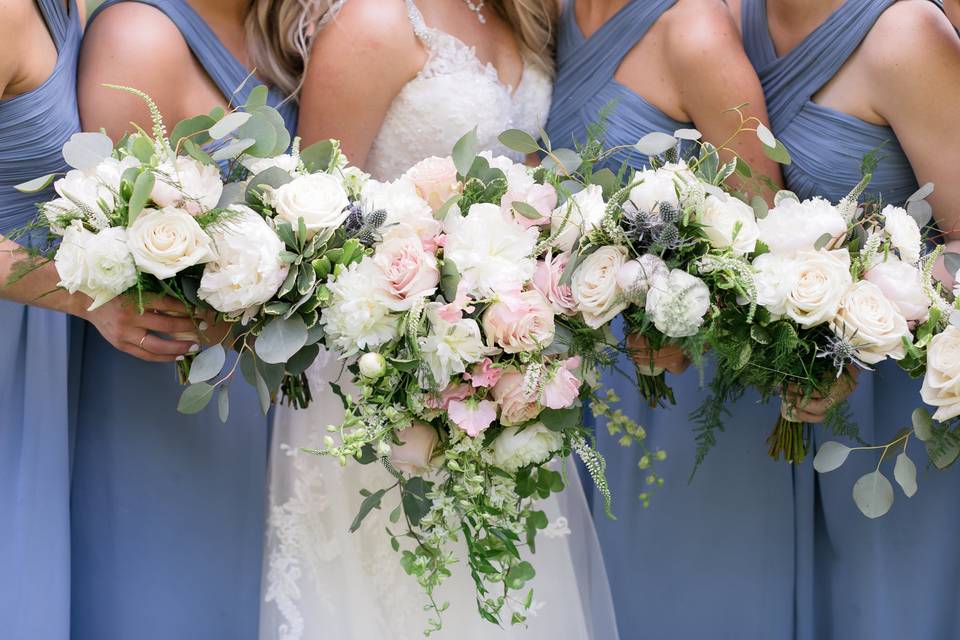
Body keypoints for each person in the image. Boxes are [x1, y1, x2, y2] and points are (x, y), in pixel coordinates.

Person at [259, 1, 617, 638]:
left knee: (503, 599)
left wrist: (515, 319)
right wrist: (429, 318)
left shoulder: (523, 15)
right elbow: (312, 226)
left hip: (502, 372)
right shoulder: (371, 24)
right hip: (379, 374)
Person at [543, 1, 822, 638]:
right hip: (583, 384)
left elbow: (766, 236)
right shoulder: (553, 19)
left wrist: (680, 328)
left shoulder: (694, 32)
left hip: (684, 390)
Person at [73, 1, 300, 637]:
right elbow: (119, 261)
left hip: (261, 399)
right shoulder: (139, 36)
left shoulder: (281, 30)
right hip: (165, 394)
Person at [734, 0, 960, 637]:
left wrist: (854, 330)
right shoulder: (736, 19)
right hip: (769, 403)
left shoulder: (906, 34)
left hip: (889, 416)